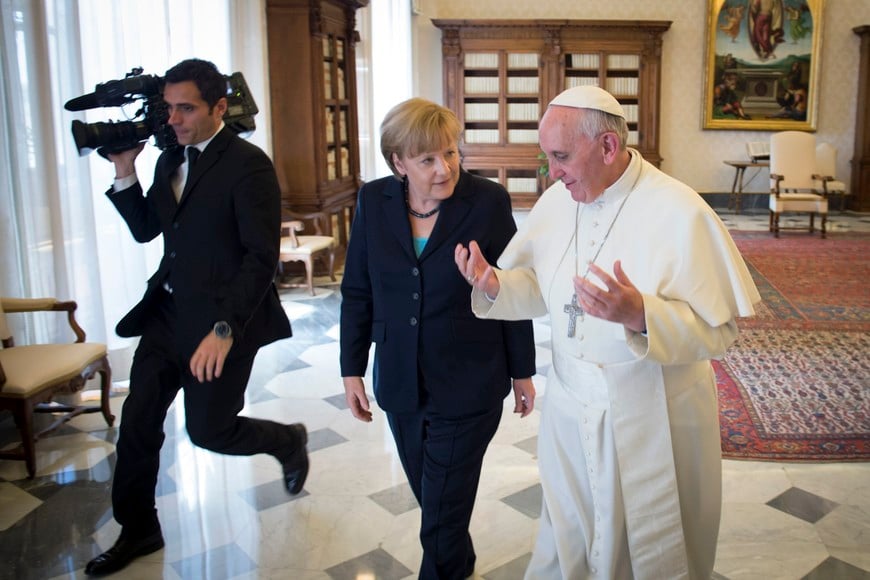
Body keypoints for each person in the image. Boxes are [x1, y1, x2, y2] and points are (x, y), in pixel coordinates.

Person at [455, 86, 760, 579]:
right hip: (569, 411)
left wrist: (642, 315)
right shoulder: (559, 202)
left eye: (560, 156)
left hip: (652, 412)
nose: (550, 172)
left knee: (648, 550)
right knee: (570, 534)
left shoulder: (680, 211)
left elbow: (719, 331)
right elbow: (542, 288)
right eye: (547, 157)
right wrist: (495, 285)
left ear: (608, 148)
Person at [85, 58, 308, 576]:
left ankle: (287, 440)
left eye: (186, 108)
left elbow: (260, 259)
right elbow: (149, 230)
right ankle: (138, 527)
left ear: (220, 108)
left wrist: (224, 331)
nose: (174, 119)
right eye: (169, 108)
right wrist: (125, 170)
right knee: (138, 422)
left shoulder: (249, 165)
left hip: (221, 322)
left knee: (211, 431)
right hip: (167, 313)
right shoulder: (168, 161)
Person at [340, 98, 537, 579]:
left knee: (439, 521)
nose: (444, 167)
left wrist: (522, 371)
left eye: (450, 153)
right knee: (436, 502)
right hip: (401, 383)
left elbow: (511, 286)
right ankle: (460, 563)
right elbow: (358, 290)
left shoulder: (487, 202)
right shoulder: (374, 201)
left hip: (469, 380)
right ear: (398, 163)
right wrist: (352, 368)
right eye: (427, 159)